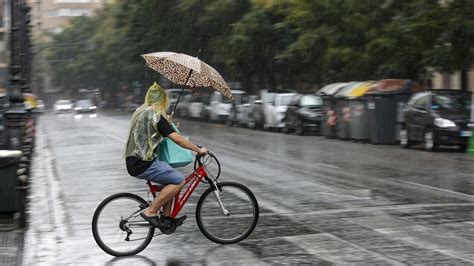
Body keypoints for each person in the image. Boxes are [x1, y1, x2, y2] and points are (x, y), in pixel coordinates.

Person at [124, 82, 208, 229]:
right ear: (162, 101)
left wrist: (166, 123)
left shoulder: (142, 112)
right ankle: (151, 211)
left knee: (169, 177)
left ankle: (167, 218)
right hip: (143, 163)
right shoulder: (156, 117)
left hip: (133, 160)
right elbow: (177, 139)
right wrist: (197, 149)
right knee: (178, 181)